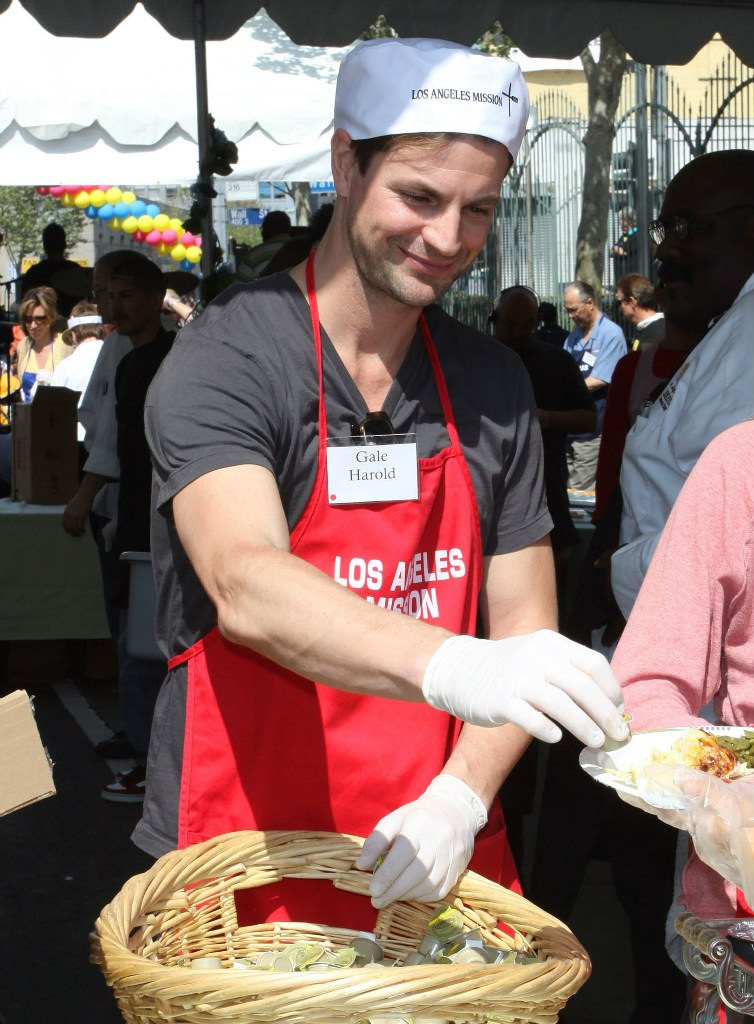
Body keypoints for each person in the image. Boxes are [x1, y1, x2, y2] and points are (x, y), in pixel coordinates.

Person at [134, 37, 628, 922]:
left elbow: (525, 629)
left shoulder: (491, 384)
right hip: (249, 859)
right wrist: (452, 662)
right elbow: (245, 581)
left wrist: (462, 801)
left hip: (434, 854)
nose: (447, 239)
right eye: (419, 196)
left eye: (478, 209)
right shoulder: (233, 355)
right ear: (343, 163)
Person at [611, 149, 754, 618]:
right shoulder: (732, 325)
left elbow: (736, 540)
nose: (664, 249)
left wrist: (628, 572)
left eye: (689, 228)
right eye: (664, 229)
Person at [491, 286, 596, 587]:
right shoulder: (477, 361)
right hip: (491, 491)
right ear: (495, 320)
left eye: (527, 325)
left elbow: (588, 418)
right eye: (510, 324)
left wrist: (548, 419)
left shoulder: (557, 361)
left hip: (546, 486)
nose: (518, 333)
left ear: (537, 322)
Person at [562, 280, 627, 492]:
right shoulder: (573, 338)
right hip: (569, 425)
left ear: (589, 303)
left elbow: (599, 379)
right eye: (567, 310)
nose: (570, 316)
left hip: (594, 426)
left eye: (573, 310)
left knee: (582, 491)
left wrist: (564, 389)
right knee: (566, 487)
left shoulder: (611, 334)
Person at [50, 302, 107, 442]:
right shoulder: (117, 357)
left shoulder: (65, 367)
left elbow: (52, 410)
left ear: (73, 334)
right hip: (110, 439)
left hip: (75, 440)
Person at [14, 286, 73, 402]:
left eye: (39, 319)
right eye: (28, 319)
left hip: (55, 416)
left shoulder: (65, 344)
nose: (33, 325)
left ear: (51, 317)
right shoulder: (23, 346)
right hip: (27, 417)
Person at [21, 223, 84, 317]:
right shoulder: (76, 270)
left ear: (44, 245)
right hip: (72, 324)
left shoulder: (34, 273)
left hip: (41, 324)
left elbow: (25, 302)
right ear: (64, 244)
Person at [235, 210, 292, 281]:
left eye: (262, 229)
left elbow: (238, 287)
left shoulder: (253, 255)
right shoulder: (304, 251)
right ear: (289, 229)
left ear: (266, 230)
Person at [615, 273, 664, 350]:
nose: (619, 308)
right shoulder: (653, 329)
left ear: (632, 302)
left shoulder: (655, 334)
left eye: (619, 302)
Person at [611, 206, 640, 280]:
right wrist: (617, 250)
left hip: (631, 277)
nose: (618, 222)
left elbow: (623, 252)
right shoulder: (625, 236)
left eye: (620, 220)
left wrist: (617, 250)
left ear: (625, 220)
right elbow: (611, 252)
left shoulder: (636, 234)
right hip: (622, 277)